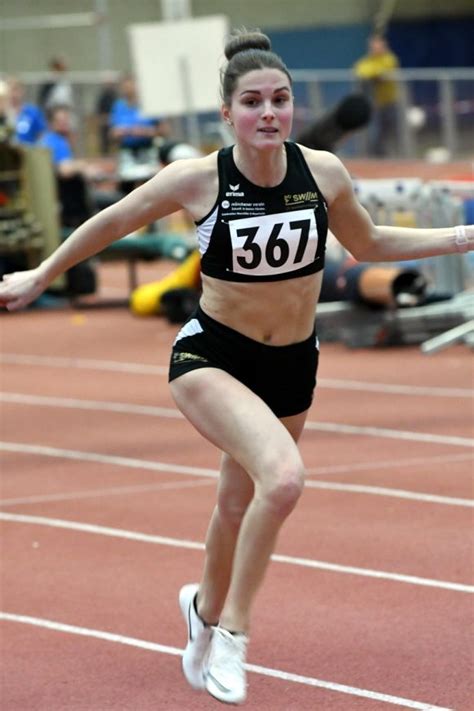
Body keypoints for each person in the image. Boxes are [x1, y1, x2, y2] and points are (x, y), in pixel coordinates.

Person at [0, 29, 473, 706]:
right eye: (253, 102)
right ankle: (232, 632)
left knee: (234, 500)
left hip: (292, 364)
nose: (270, 112)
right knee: (281, 480)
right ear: (228, 115)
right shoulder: (198, 178)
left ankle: (201, 610)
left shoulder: (323, 172)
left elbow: (368, 244)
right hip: (213, 357)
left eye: (280, 98)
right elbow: (112, 221)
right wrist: (40, 272)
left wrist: (464, 235)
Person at [353, 33, 400, 157]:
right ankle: (375, 155)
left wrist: (375, 73)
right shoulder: (368, 60)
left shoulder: (389, 59)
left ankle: (395, 154)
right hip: (375, 103)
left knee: (392, 130)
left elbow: (382, 71)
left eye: (379, 45)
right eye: (373, 46)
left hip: (391, 101)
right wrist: (373, 73)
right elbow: (360, 71)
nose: (376, 48)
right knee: (374, 131)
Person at [5, 76, 46, 145]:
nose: (13, 94)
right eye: (10, 90)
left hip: (28, 152)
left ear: (22, 91)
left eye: (16, 89)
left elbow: (41, 135)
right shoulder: (3, 113)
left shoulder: (33, 112)